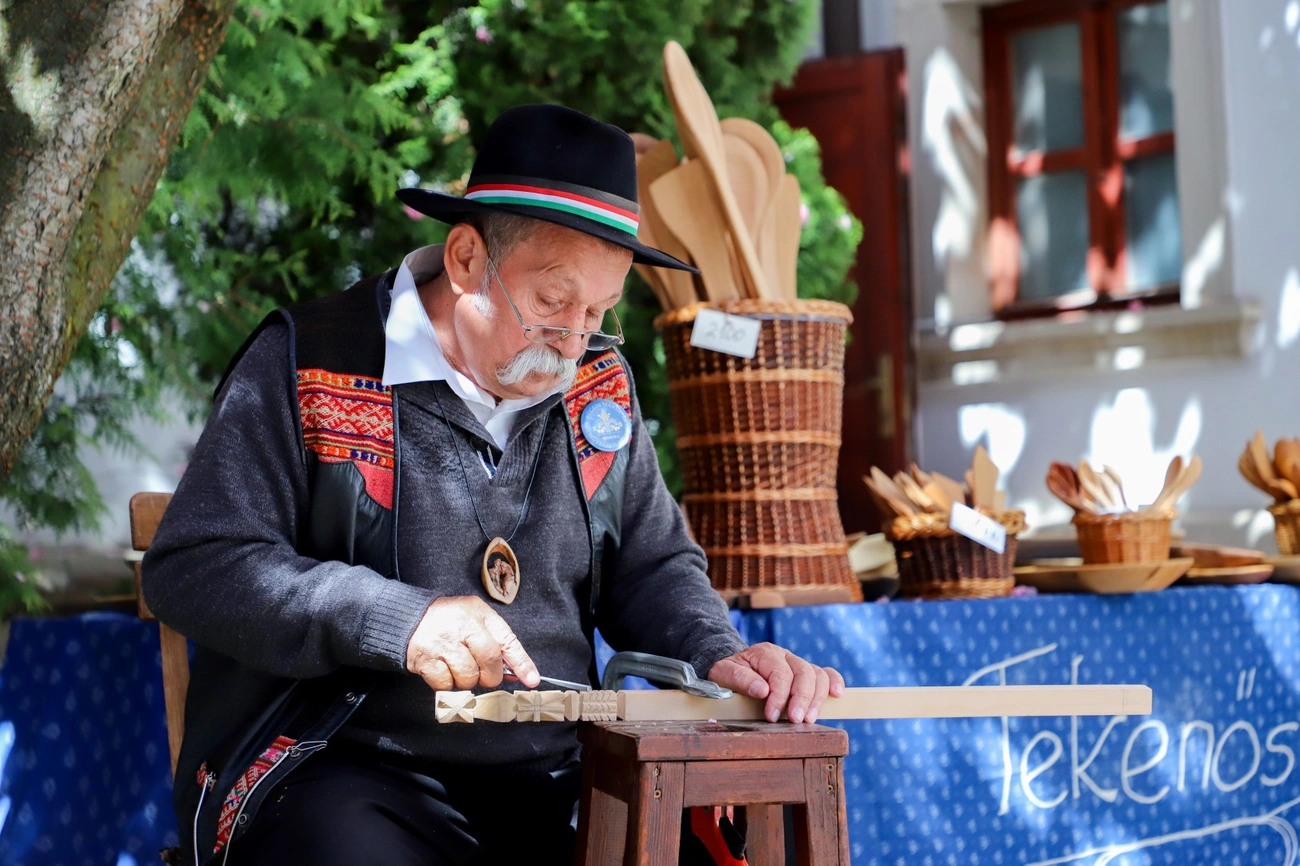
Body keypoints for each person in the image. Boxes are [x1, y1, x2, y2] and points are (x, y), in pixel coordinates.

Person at [142, 103, 844, 866]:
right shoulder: (311, 361)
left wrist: (716, 653)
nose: (575, 344)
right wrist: (398, 620)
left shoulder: (597, 386)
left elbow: (654, 566)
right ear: (467, 257)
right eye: (551, 303)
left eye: (598, 314)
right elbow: (197, 563)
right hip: (341, 769)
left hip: (561, 776)